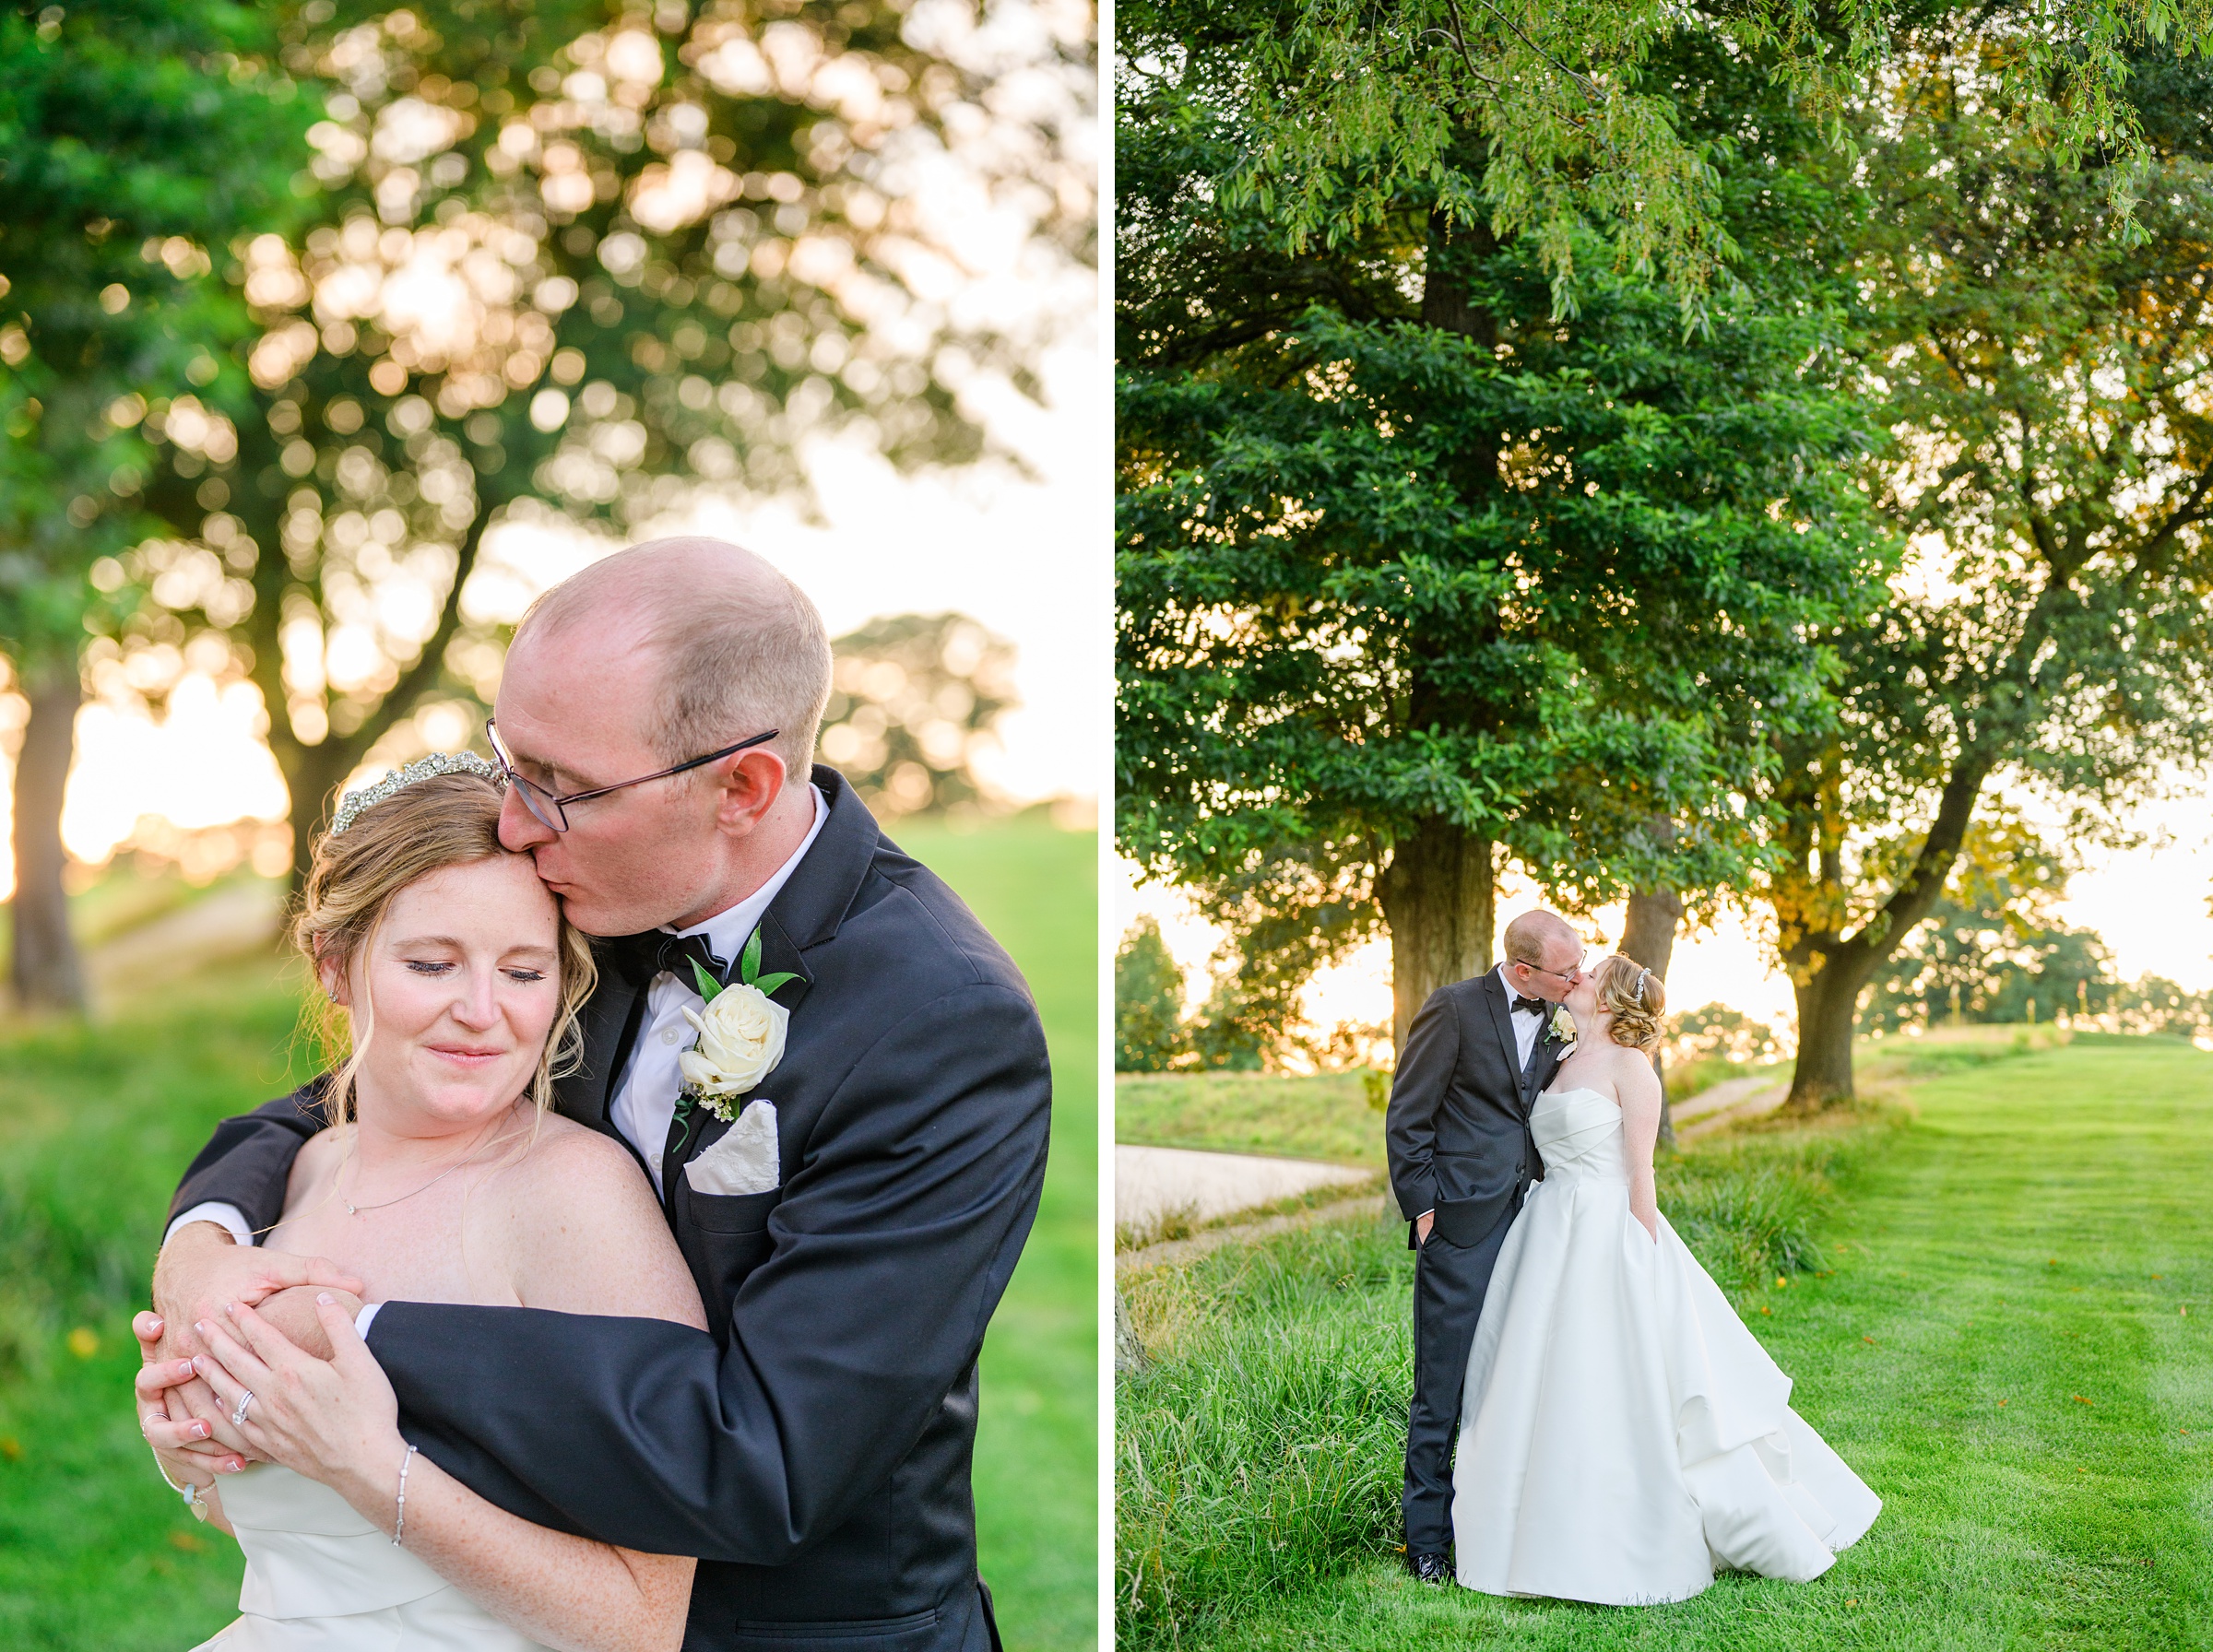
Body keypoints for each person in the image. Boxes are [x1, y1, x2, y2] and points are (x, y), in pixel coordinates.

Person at [135, 538, 1053, 1652]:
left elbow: (765, 1457)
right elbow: (351, 1096)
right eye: (508, 760)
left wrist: (335, 1331)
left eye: (561, 787)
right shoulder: (587, 892)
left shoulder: (942, 1025)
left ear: (742, 787)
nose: (516, 822)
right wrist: (205, 1246)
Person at [174, 758, 706, 1650]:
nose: (483, 1011)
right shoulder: (295, 1179)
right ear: (335, 965)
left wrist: (371, 1466)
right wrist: (193, 1462)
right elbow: (317, 1549)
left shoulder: (574, 1195)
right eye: (433, 963)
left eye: (526, 972)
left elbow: (643, 1622)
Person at [1450, 955, 1880, 1604]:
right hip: (1545, 1230)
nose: (1577, 981)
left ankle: (1632, 1528)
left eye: (1589, 976)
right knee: (1530, 1373)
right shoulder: (1560, 1059)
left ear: (1614, 998)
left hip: (1605, 1230)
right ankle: (1514, 1523)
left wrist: (1640, 1252)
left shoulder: (1632, 1070)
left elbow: (1640, 1174)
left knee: (1610, 1375)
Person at [1382, 908, 1586, 1584]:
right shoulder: (1454, 1010)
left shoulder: (1565, 1021)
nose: (1577, 978)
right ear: (1523, 969)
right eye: (1567, 971)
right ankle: (1429, 1543)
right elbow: (1409, 1114)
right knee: (1440, 1386)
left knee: (1515, 1378)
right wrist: (1424, 1209)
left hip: (1540, 1226)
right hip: (1462, 1225)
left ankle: (1495, 1526)